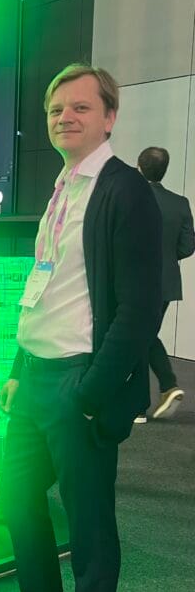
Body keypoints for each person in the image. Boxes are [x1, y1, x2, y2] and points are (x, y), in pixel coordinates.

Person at [0, 64, 162, 592]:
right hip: (36, 375)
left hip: (80, 382)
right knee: (15, 495)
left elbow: (140, 309)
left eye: (81, 108)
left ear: (109, 117)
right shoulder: (63, 187)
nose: (65, 118)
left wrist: (89, 393)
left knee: (89, 526)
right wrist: (16, 367)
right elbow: (45, 287)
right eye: (57, 109)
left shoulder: (125, 192)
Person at [134, 146, 195, 421]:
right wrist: (167, 257)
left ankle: (146, 401)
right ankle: (165, 389)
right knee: (144, 335)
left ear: (138, 167)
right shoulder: (180, 203)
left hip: (134, 281)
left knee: (138, 337)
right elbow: (187, 247)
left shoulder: (131, 200)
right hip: (166, 283)